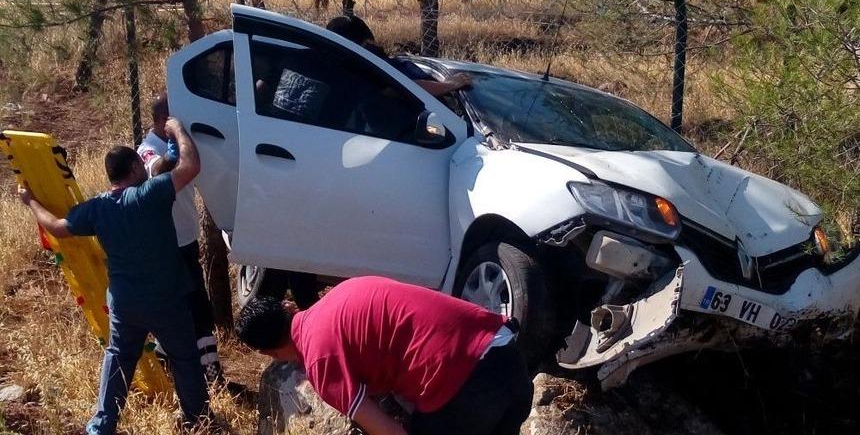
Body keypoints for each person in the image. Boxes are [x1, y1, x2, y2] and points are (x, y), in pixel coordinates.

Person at [18, 119, 210, 434]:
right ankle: (197, 420)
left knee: (119, 358)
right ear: (135, 167)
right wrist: (176, 129)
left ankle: (102, 425)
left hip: (125, 302)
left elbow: (56, 227)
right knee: (185, 359)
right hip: (166, 299)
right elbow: (191, 166)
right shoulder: (150, 194)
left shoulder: (97, 209)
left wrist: (31, 202)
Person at [236, 276, 533, 435]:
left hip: (465, 386)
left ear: (269, 353)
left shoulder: (319, 361)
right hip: (505, 351)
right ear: (288, 307)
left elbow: (389, 431)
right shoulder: (342, 292)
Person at [137, 93, 224, 384]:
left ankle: (165, 357)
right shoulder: (148, 149)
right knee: (196, 308)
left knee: (187, 307)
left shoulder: (177, 141)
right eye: (175, 119)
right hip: (166, 245)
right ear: (163, 120)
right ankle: (211, 374)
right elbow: (160, 169)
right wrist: (176, 140)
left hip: (185, 239)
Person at [325, 15, 473, 97]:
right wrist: (449, 85)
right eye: (371, 44)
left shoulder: (330, 70)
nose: (377, 47)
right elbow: (406, 86)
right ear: (367, 41)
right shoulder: (368, 68)